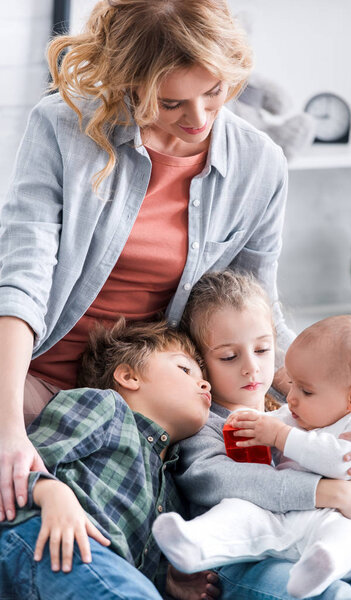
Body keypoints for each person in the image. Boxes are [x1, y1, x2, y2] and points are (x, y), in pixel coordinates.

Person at [0, 0, 296, 533]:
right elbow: (22, 280)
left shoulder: (260, 164)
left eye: (215, 92)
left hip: (153, 399)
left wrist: (327, 386)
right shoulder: (63, 128)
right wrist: (8, 433)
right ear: (128, 83)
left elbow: (255, 306)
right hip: (36, 381)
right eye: (172, 102)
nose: (200, 120)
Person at [161, 270, 351, 600]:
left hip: (324, 550)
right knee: (332, 595)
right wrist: (329, 492)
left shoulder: (308, 404)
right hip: (246, 559)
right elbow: (222, 481)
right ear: (201, 362)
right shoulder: (205, 424)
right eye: (229, 356)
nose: (251, 368)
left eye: (262, 350)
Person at [0, 318, 216, 599]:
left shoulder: (175, 483)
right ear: (129, 377)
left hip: (97, 569)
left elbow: (130, 563)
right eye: (185, 369)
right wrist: (51, 492)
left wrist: (167, 580)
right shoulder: (105, 407)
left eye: (204, 380)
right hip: (43, 534)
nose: (204, 385)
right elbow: (27, 463)